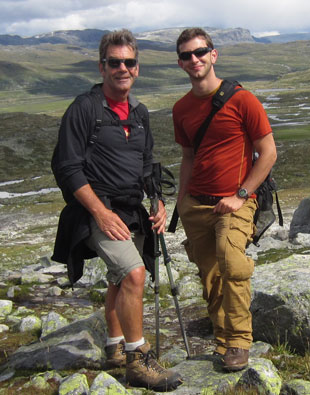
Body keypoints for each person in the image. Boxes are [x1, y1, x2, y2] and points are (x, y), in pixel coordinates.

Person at [50, 29, 181, 391]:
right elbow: (67, 167)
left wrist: (157, 201)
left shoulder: (139, 113)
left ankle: (115, 347)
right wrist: (100, 213)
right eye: (114, 62)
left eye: (129, 62)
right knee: (134, 274)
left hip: (131, 210)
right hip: (97, 211)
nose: (123, 68)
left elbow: (147, 164)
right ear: (102, 67)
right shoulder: (84, 109)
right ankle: (138, 361)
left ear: (137, 67)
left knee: (119, 279)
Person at [171, 27, 277, 372]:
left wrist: (241, 195)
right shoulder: (181, 108)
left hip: (235, 201)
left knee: (232, 263)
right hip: (196, 204)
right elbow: (188, 156)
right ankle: (221, 340)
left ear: (213, 55)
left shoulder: (242, 100)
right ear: (180, 62)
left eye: (200, 52)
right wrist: (182, 201)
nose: (194, 59)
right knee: (210, 275)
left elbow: (268, 152)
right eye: (186, 55)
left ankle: (239, 342)